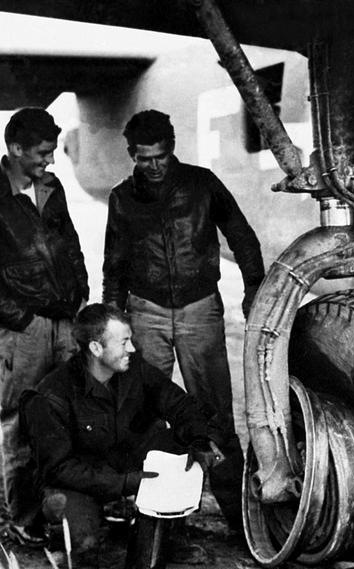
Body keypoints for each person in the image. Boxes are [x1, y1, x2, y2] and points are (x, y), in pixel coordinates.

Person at [102, 109, 264, 531]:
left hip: (200, 310)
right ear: (131, 155)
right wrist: (114, 322)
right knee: (147, 417)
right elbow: (114, 265)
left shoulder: (202, 183)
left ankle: (241, 518)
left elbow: (242, 236)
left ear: (172, 148)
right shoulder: (121, 199)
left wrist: (255, 290)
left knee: (215, 415)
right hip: (147, 313)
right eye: (144, 158)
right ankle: (160, 524)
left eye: (160, 156)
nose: (154, 166)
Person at [0, 108, 90, 545]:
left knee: (68, 419)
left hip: (63, 324)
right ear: (15, 150)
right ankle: (24, 518)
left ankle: (68, 516)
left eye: (52, 152)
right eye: (41, 153)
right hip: (22, 332)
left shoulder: (52, 190)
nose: (50, 161)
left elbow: (70, 245)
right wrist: (24, 321)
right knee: (20, 423)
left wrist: (79, 295)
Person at [21, 303, 224, 565]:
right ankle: (73, 533)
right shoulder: (52, 395)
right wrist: (127, 483)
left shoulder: (134, 368)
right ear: (95, 348)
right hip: (79, 480)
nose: (132, 349)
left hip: (123, 463)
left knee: (178, 446)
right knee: (85, 545)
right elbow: (58, 469)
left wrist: (199, 439)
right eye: (124, 342)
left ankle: (167, 536)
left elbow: (178, 403)